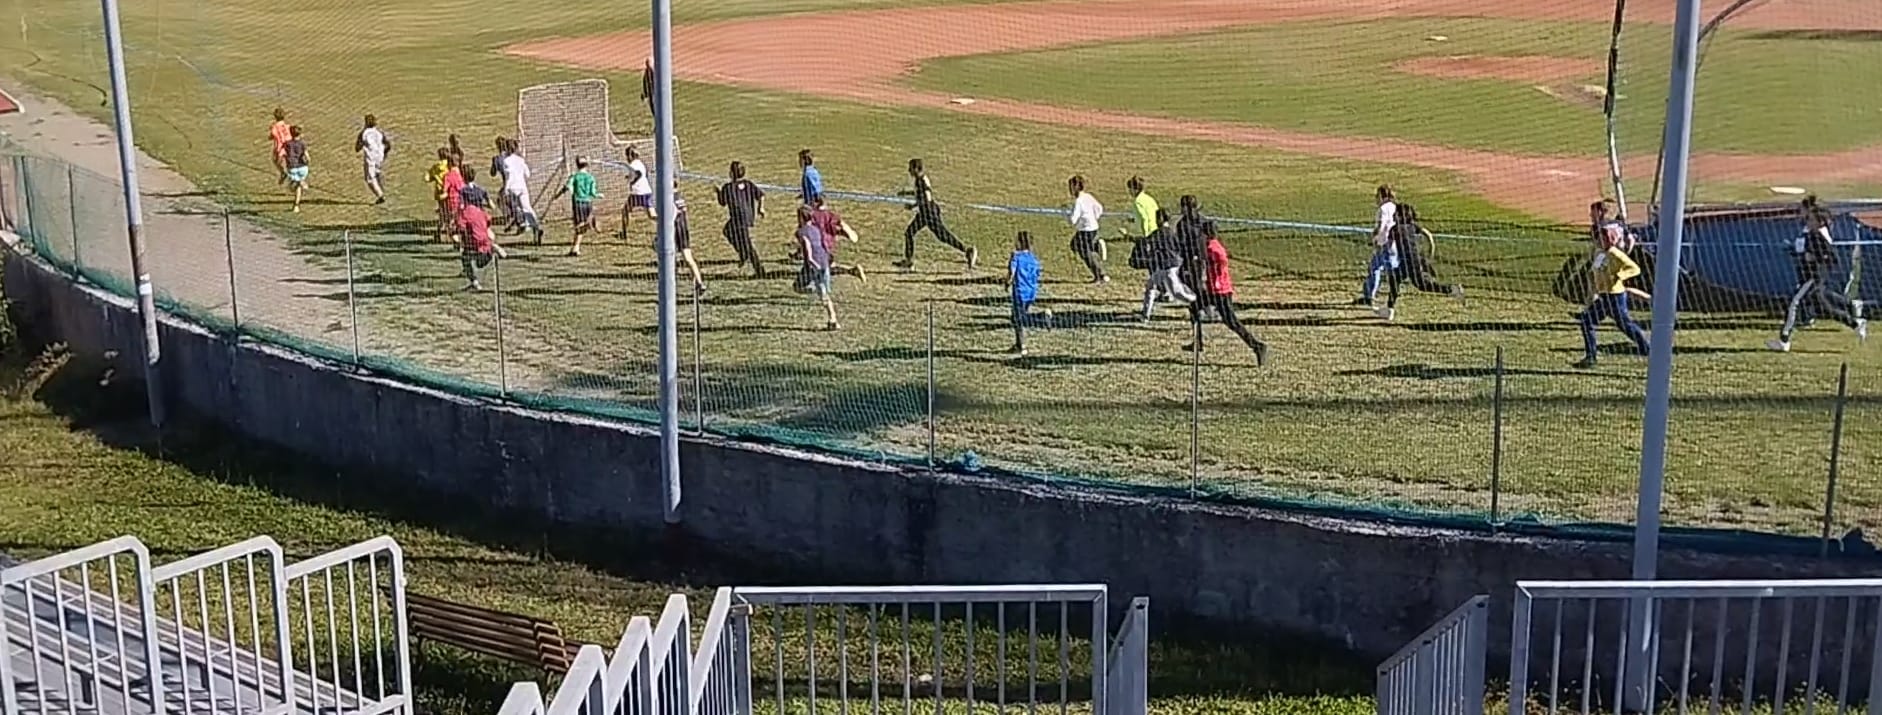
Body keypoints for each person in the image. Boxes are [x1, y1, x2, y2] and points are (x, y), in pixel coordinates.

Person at [1769, 206, 1868, 352]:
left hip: (1812, 277)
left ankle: (1784, 341)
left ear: (1820, 222)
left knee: (1794, 303)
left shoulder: (1819, 237)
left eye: (1811, 219)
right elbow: (1803, 251)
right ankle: (1856, 323)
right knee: (1825, 308)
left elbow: (1833, 259)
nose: (1807, 221)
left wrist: (1814, 258)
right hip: (1806, 276)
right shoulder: (1809, 234)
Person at [1184, 220, 1269, 366]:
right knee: (1193, 306)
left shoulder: (1213, 249)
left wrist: (1214, 275)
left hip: (1220, 292)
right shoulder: (1211, 246)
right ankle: (1198, 342)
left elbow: (1222, 261)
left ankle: (1258, 346)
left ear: (1206, 234)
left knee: (1232, 322)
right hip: (1214, 290)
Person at [1573, 219, 1650, 369]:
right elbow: (1596, 270)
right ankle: (1591, 357)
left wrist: (1620, 275)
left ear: (1610, 239)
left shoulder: (1615, 254)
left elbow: (1635, 268)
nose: (1599, 240)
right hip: (1604, 296)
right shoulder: (1600, 253)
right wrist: (1593, 288)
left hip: (1615, 297)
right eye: (1598, 238)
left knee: (1625, 325)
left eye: (1603, 238)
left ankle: (1647, 348)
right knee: (1587, 322)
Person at [1376, 202, 1463, 320]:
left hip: (1409, 262)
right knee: (1394, 280)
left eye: (1396, 213)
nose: (1393, 215)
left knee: (1421, 285)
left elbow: (1387, 244)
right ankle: (1389, 310)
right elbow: (1427, 234)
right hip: (1414, 259)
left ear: (1401, 216)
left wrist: (1377, 242)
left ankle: (1451, 289)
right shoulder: (1412, 226)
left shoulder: (1395, 229)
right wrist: (1431, 249)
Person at [896, 158, 977, 271]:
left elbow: (927, 198)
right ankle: (909, 261)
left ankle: (967, 250)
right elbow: (920, 192)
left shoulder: (921, 181)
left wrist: (913, 206)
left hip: (929, 213)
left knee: (943, 236)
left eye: (910, 168)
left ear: (916, 168)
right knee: (909, 233)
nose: (908, 170)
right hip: (925, 212)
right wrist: (907, 193)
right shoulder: (920, 179)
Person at [1130, 208, 1194, 320]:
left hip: (1168, 267)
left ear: (1161, 219)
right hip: (1166, 267)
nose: (1156, 220)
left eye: (1157, 218)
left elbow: (1144, 241)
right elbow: (1179, 247)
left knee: (1178, 293)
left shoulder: (1159, 233)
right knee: (1150, 286)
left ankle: (1200, 304)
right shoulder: (1171, 232)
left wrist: (1129, 237)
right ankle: (1145, 315)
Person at [716, 161, 767, 277]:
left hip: (738, 218)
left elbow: (722, 202)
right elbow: (761, 195)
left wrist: (718, 192)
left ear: (731, 173)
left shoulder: (728, 187)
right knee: (728, 230)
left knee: (747, 244)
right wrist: (761, 208)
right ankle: (743, 253)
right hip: (747, 217)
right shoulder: (749, 184)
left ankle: (760, 270)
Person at [793, 205, 840, 331]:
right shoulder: (816, 229)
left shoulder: (800, 232)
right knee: (824, 294)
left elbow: (807, 245)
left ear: (801, 218)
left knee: (798, 287)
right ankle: (833, 318)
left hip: (813, 265)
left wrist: (810, 260)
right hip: (824, 261)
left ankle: (832, 318)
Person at [1006, 231, 1051, 356]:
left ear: (1020, 243)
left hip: (1019, 292)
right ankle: (1020, 345)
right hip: (1031, 292)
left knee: (1019, 318)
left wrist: (1007, 282)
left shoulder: (1016, 257)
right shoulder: (1033, 259)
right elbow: (1037, 274)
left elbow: (1012, 273)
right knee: (1017, 318)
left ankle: (1042, 317)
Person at [547, 156, 602, 256]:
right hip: (588, 203)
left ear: (577, 165)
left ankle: (587, 227)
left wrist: (558, 195)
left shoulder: (575, 176)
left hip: (578, 203)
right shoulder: (591, 177)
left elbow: (567, 186)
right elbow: (593, 192)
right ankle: (575, 248)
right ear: (587, 165)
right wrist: (598, 195)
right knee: (579, 227)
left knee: (579, 226)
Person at [1356, 185, 1399, 307]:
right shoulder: (1394, 207)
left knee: (1379, 268)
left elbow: (1382, 225)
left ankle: (1370, 296)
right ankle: (1371, 294)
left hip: (1384, 242)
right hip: (1394, 242)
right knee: (1382, 267)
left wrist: (1375, 237)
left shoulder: (1383, 209)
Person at [809, 196, 867, 282]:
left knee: (823, 268)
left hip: (819, 247)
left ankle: (852, 271)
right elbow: (841, 225)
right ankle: (852, 271)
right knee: (830, 266)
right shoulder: (830, 215)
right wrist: (850, 234)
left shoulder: (813, 216)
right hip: (829, 246)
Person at [498, 139, 544, 243]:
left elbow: (509, 176)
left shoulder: (506, 161)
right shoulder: (520, 160)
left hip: (513, 188)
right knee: (527, 208)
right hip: (522, 187)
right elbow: (528, 174)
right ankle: (536, 227)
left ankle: (522, 224)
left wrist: (506, 189)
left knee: (513, 206)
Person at [458, 199, 507, 291]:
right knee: (479, 263)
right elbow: (488, 220)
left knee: (466, 258)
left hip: (473, 240)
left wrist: (461, 238)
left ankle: (474, 282)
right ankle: (491, 251)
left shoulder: (465, 212)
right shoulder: (481, 211)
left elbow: (461, 226)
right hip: (484, 239)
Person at [1067, 175, 1107, 283]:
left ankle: (1099, 274)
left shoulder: (1078, 201)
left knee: (1084, 252)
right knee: (1075, 245)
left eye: (1070, 187)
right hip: (1093, 228)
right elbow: (1099, 208)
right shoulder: (1088, 196)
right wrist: (1094, 218)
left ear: (1076, 187)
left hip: (1085, 230)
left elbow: (1073, 219)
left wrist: (1069, 218)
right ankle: (1094, 247)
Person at [669, 193, 707, 295]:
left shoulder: (669, 198)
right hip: (683, 230)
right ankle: (699, 282)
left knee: (670, 259)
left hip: (674, 231)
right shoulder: (680, 197)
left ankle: (671, 284)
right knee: (688, 258)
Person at [619, 146, 656, 239]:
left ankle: (623, 233)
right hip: (647, 191)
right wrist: (630, 177)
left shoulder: (633, 165)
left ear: (630, 156)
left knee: (625, 211)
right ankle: (665, 225)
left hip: (637, 193)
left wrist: (632, 181)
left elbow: (638, 174)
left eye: (627, 155)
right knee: (652, 215)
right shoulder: (640, 163)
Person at [355, 115, 391, 205]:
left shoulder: (364, 133)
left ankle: (380, 195)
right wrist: (383, 154)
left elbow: (357, 148)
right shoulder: (379, 133)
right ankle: (381, 190)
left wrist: (362, 143)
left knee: (369, 178)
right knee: (376, 175)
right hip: (379, 157)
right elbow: (388, 146)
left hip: (370, 158)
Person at [426, 148, 454, 242]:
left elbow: (427, 178)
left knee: (442, 214)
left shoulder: (435, 167)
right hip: (449, 192)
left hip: (439, 193)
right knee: (449, 214)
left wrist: (434, 177)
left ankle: (438, 233)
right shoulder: (450, 166)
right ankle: (449, 233)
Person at [281, 126, 311, 213]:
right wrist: (307, 163)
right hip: (302, 167)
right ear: (300, 134)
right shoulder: (302, 144)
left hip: (292, 168)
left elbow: (282, 154)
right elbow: (307, 157)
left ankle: (300, 183)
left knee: (293, 187)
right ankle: (296, 205)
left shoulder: (287, 144)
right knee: (296, 187)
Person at [440, 158, 466, 246]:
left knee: (449, 223)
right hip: (462, 202)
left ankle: (456, 241)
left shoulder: (448, 176)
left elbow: (445, 191)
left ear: (449, 164)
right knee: (459, 221)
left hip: (451, 202)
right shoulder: (462, 175)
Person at [268, 108, 292, 185]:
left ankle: (282, 172)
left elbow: (271, 136)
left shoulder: (274, 127)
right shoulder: (287, 126)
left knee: (275, 160)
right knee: (289, 163)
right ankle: (292, 177)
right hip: (288, 146)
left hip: (280, 147)